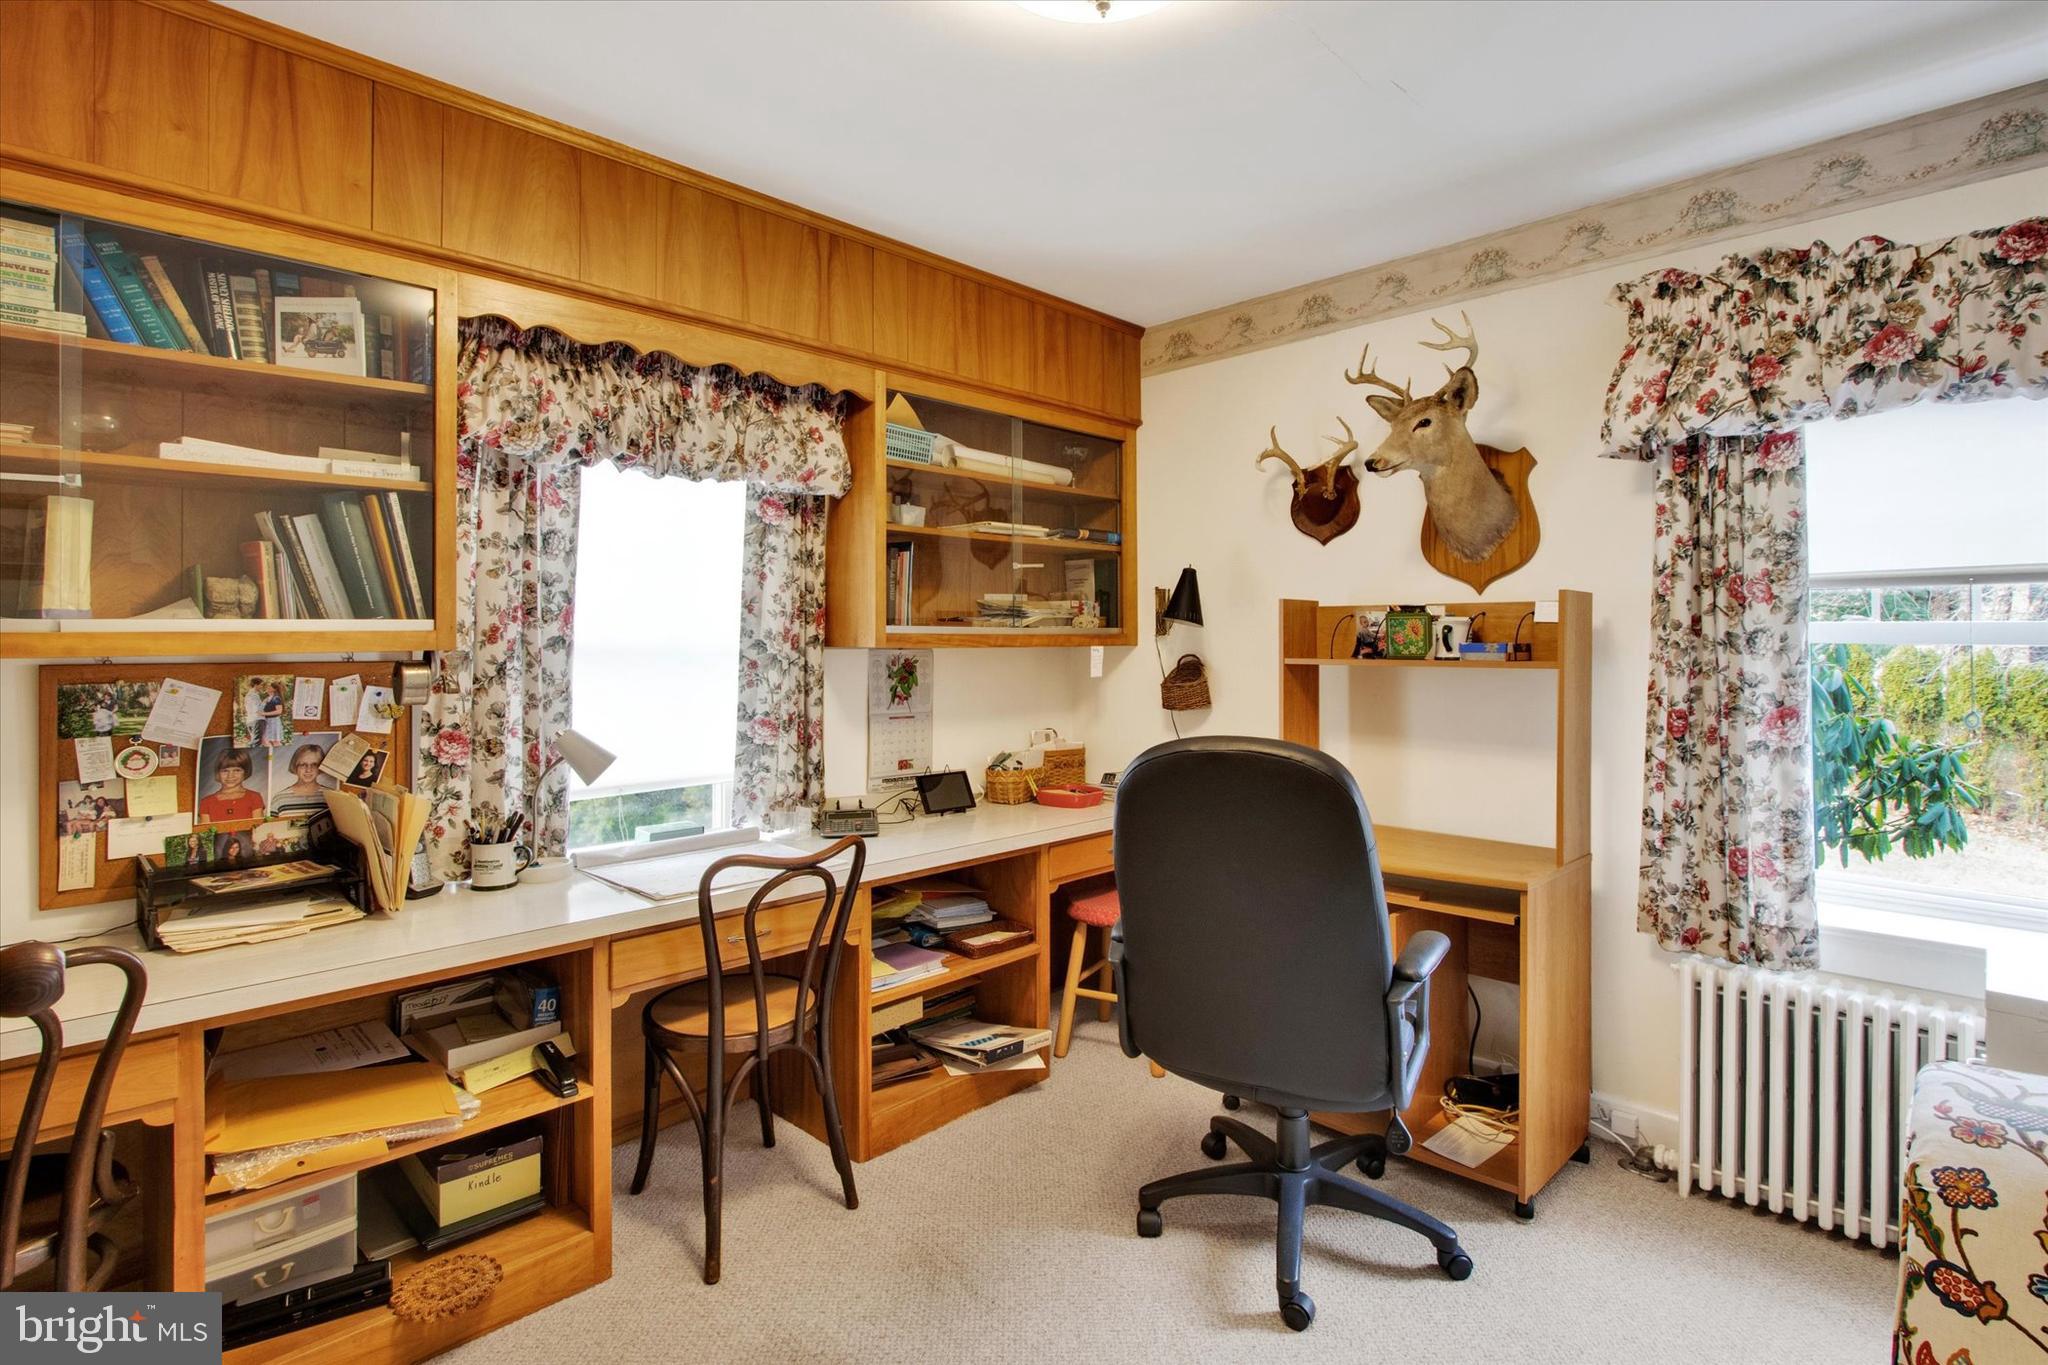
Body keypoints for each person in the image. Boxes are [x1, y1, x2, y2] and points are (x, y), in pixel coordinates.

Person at [197, 748, 265, 823]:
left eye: (237, 770)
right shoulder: (207, 802)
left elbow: (259, 827)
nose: (230, 776)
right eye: (225, 771)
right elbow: (206, 829)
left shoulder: (254, 797)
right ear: (218, 773)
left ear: (245, 772)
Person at [272, 742, 329, 814]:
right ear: (295, 766)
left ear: (320, 767)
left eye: (314, 764)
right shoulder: (279, 799)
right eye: (303, 765)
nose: (308, 770)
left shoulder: (330, 797)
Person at [261, 682, 286, 747]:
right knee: (266, 741)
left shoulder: (276, 698)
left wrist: (264, 713)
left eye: (270, 687)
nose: (267, 688)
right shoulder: (268, 698)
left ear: (274, 689)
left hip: (273, 721)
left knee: (275, 742)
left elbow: (279, 711)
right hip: (267, 721)